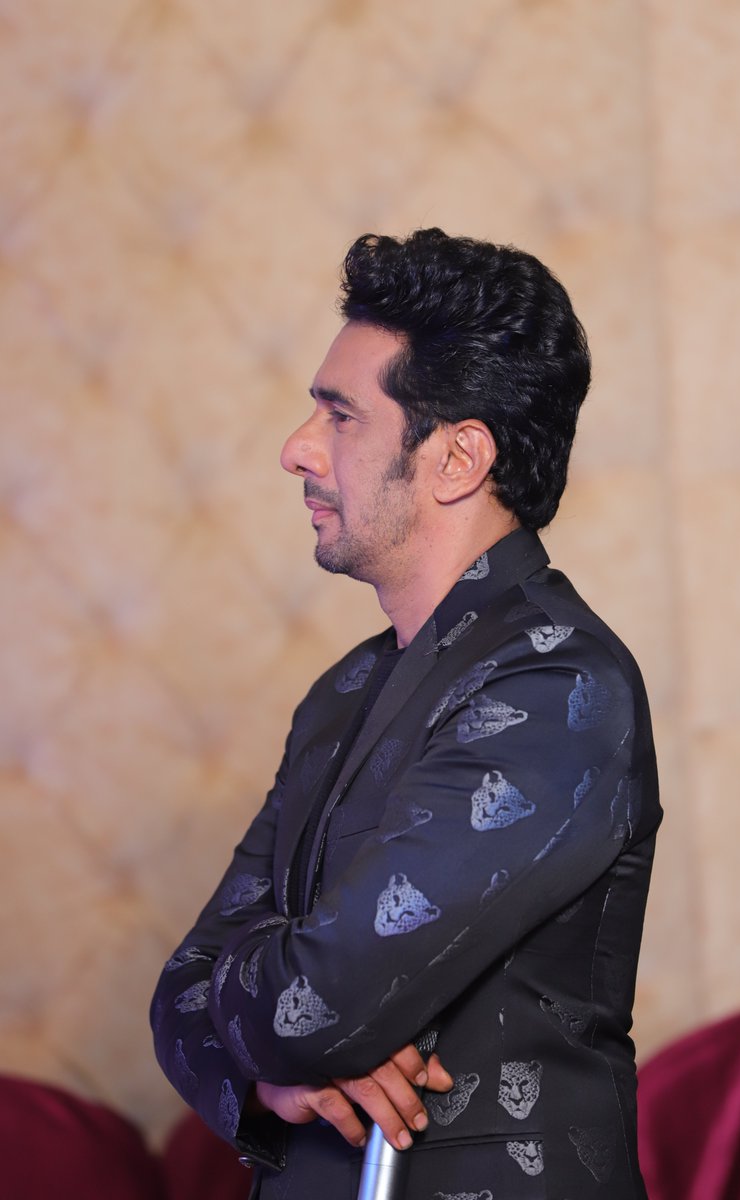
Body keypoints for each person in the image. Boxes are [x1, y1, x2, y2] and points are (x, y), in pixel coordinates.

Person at [151, 228, 661, 1199]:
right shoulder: (342, 691)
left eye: (339, 416)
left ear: (457, 457)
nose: (296, 449)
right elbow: (179, 993)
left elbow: (310, 1002)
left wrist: (284, 1015)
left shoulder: (555, 686)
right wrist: (272, 1077)